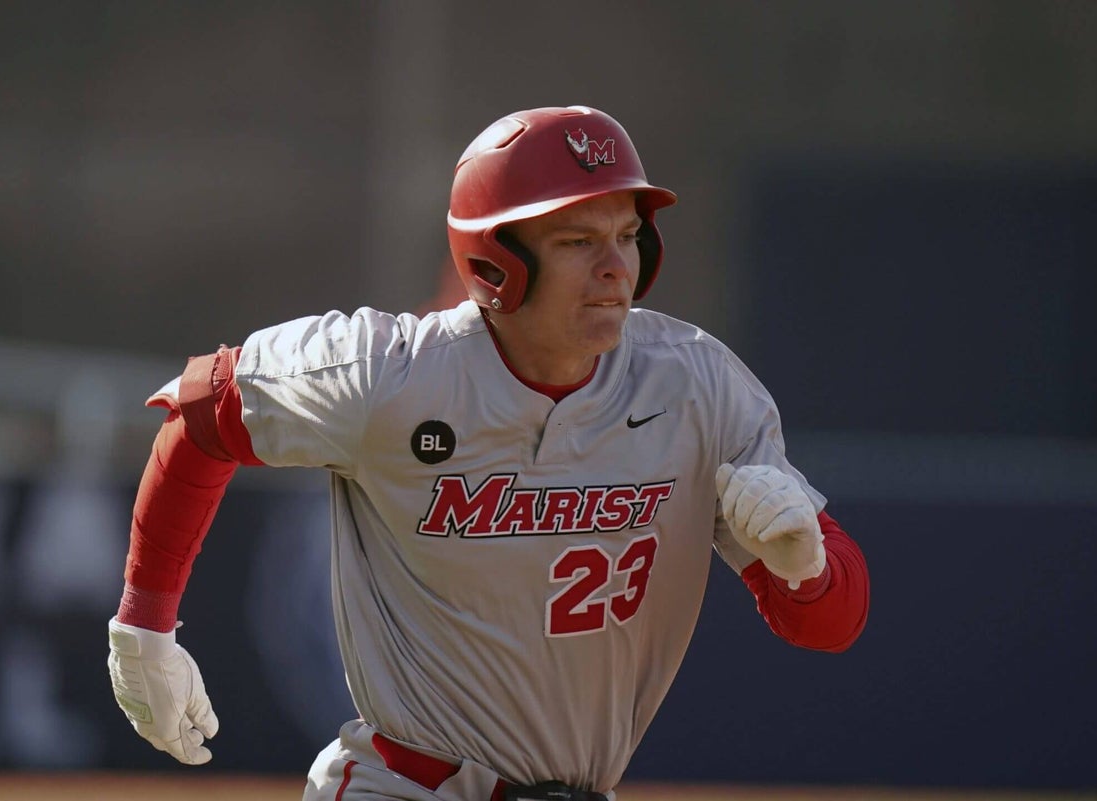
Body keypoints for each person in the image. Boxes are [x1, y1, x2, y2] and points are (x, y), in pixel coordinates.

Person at [107, 105, 870, 801]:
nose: (615, 267)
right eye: (577, 241)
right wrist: (144, 626)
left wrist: (803, 568)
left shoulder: (698, 384)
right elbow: (202, 413)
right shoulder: (390, 372)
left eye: (627, 236)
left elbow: (830, 624)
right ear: (494, 263)